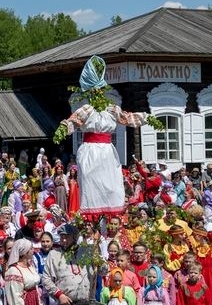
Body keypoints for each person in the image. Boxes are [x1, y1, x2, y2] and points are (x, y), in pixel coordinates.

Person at [52, 56, 154, 215]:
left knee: (112, 186)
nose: (97, 93)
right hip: (90, 150)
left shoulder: (112, 109)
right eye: (94, 91)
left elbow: (127, 118)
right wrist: (62, 128)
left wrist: (148, 118)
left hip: (107, 151)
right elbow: (72, 121)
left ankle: (112, 214)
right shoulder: (86, 109)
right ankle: (90, 218)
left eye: (100, 90)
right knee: (91, 185)